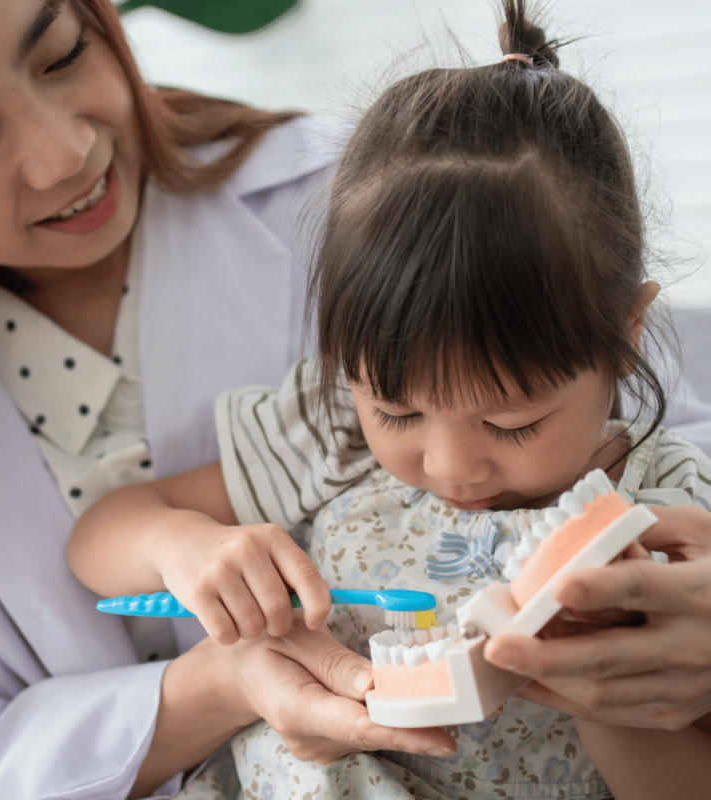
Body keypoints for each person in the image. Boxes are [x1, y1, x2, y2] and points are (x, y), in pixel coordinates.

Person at [68, 2, 711, 797]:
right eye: (399, 413)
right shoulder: (329, 431)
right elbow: (100, 535)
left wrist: (612, 693)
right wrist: (184, 546)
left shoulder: (670, 521)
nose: (450, 466)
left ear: (629, 335)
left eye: (512, 421)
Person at [0, 1, 460, 799]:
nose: (65, 153)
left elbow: (643, 441)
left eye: (64, 56)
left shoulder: (372, 191)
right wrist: (214, 687)